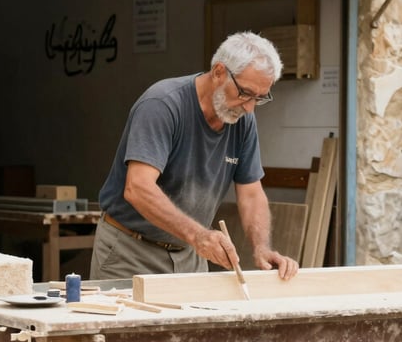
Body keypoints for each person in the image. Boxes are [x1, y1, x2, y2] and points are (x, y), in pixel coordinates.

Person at [90, 31, 300, 282]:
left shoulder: (242, 120)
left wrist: (261, 247)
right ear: (219, 72)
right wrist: (199, 236)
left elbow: (251, 193)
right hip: (131, 251)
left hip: (189, 256)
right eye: (245, 92)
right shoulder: (163, 104)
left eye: (259, 98)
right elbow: (138, 188)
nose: (249, 107)